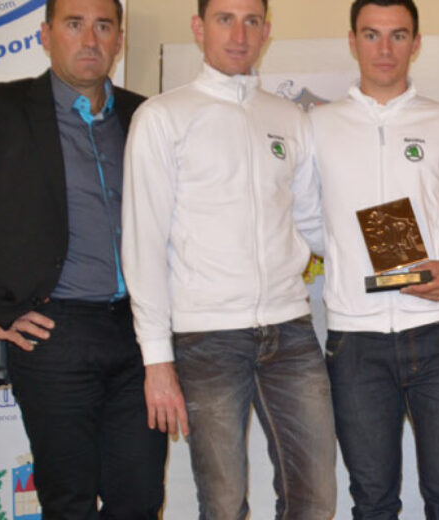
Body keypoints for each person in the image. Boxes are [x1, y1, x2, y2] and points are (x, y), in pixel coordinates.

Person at [0, 0, 167, 517]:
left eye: (103, 26)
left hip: (141, 336)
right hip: (52, 333)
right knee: (69, 503)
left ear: (119, 38)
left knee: (140, 499)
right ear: (45, 35)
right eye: (74, 24)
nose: (90, 39)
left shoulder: (147, 115)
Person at [121, 0, 337, 517]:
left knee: (316, 499)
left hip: (290, 330)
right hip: (206, 337)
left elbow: (314, 224)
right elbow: (143, 243)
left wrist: (390, 261)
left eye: (251, 21)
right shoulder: (162, 117)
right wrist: (156, 359)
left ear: (266, 31)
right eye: (225, 19)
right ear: (199, 28)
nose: (239, 35)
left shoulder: (289, 118)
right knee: (223, 505)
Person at [308, 0, 439, 518]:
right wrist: (348, 253)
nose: (385, 49)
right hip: (355, 341)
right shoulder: (316, 127)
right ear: (352, 40)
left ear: (416, 43)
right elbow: (303, 218)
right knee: (372, 502)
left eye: (398, 35)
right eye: (372, 34)